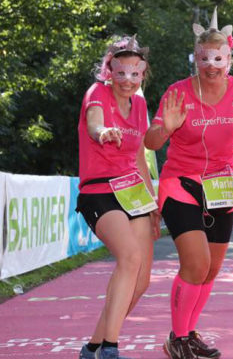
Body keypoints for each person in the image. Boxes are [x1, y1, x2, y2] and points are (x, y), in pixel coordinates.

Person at [143, 8, 233, 359]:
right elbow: (151, 142)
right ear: (196, 58)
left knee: (211, 269)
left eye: (218, 59)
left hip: (221, 185)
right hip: (181, 183)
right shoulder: (177, 92)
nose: (211, 65)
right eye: (204, 58)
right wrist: (167, 127)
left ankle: (189, 333)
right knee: (195, 264)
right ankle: (176, 339)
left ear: (229, 59)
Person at [75, 35, 160, 359]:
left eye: (134, 74)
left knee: (141, 280)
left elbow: (139, 156)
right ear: (110, 69)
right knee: (129, 258)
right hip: (99, 191)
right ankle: (110, 348)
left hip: (133, 191)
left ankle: (93, 345)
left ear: (143, 73)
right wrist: (102, 133)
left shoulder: (139, 104)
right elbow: (95, 123)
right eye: (121, 72)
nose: (127, 80)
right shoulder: (97, 94)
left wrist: (152, 203)